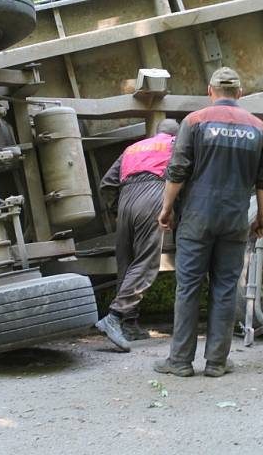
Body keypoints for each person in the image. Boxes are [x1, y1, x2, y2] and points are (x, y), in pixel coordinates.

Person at [154, 67, 263, 378]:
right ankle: (217, 362)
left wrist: (167, 208)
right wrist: (261, 218)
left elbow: (177, 170)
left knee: (189, 288)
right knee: (224, 289)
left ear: (210, 91)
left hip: (196, 218)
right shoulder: (260, 128)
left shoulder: (194, 122)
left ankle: (180, 361)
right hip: (234, 220)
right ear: (240, 93)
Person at [95, 119, 180, 352]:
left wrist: (116, 211)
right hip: (153, 195)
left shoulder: (132, 148)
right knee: (146, 262)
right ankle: (114, 317)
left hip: (125, 200)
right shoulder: (176, 144)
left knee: (127, 262)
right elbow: (182, 176)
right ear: (176, 134)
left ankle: (129, 325)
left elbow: (106, 184)